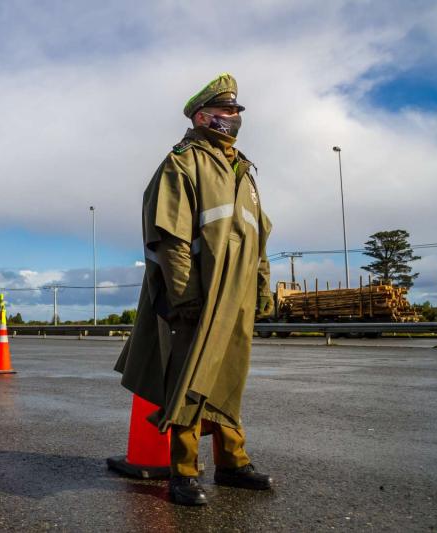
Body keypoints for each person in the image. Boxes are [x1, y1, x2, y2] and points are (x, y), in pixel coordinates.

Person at [114, 73, 274, 506]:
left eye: (236, 111)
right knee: (190, 381)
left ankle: (233, 463)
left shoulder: (242, 169)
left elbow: (257, 236)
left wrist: (262, 285)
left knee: (230, 377)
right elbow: (171, 238)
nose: (234, 117)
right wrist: (184, 296)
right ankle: (184, 471)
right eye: (226, 111)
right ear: (203, 116)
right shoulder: (183, 163)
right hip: (201, 296)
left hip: (236, 297)